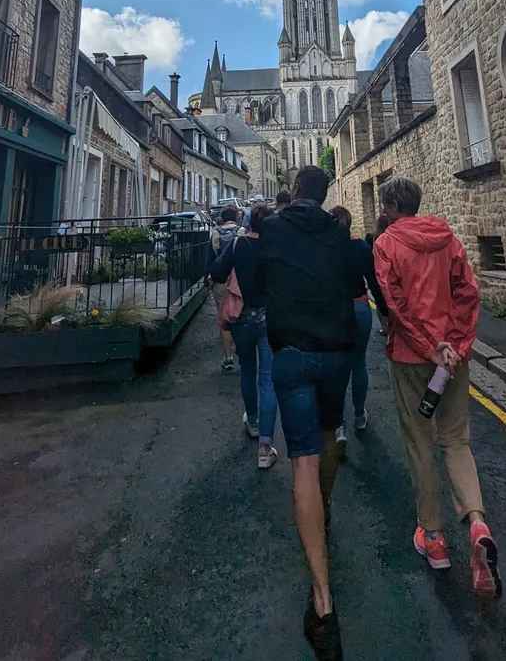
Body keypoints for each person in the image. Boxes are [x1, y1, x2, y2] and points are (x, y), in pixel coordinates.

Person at [373, 176, 501, 599]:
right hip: (453, 357)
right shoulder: (446, 236)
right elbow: (468, 292)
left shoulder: (387, 243)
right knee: (456, 440)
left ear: (393, 205)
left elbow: (395, 303)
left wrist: (430, 349)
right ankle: (478, 522)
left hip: (414, 358)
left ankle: (433, 536)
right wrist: (457, 345)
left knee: (420, 443)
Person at [257, 165, 359, 661]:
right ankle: (323, 509)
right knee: (329, 432)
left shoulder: (272, 228)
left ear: (295, 191)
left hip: (293, 354)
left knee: (302, 457)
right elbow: (356, 280)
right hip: (336, 353)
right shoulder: (340, 233)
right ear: (325, 195)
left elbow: (253, 284)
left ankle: (322, 603)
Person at [209, 202, 278, 469]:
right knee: (268, 380)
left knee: (248, 371)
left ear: (248, 221)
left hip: (242, 320)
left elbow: (218, 271)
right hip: (269, 319)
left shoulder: (239, 245)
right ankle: (265, 447)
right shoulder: (274, 247)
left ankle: (252, 420)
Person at [328, 206, 388, 453]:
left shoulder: (325, 249)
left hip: (334, 311)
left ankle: (338, 424)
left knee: (336, 367)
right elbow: (374, 283)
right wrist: (385, 312)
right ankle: (360, 414)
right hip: (361, 307)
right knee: (359, 363)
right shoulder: (361, 247)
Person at [209, 205, 240, 371]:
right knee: (241, 314)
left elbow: (211, 258)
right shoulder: (242, 232)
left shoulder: (215, 232)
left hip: (221, 278)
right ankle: (242, 351)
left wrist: (209, 278)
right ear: (236, 216)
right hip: (239, 279)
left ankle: (228, 356)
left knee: (223, 316)